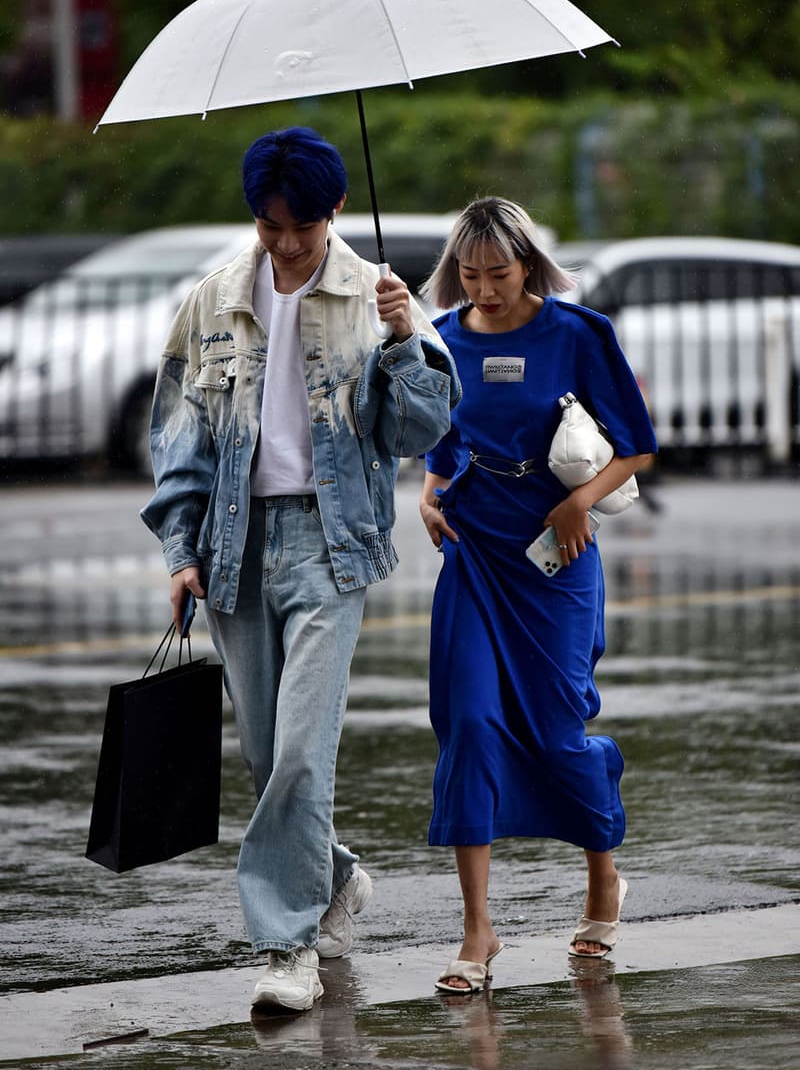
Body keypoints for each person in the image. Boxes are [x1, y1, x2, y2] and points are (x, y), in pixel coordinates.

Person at [141, 126, 460, 1013]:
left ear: (336, 212)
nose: (285, 244)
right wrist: (180, 550)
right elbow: (179, 435)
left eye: (302, 228)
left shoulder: (375, 297)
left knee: (302, 751)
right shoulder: (215, 300)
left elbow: (418, 432)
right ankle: (339, 878)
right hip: (234, 543)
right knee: (265, 755)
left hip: (331, 544)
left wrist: (405, 340)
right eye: (269, 226)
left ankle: (288, 949)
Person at [418, 197, 656, 994]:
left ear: (529, 265)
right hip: (475, 546)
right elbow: (440, 443)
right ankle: (478, 933)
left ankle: (602, 878)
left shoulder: (578, 334)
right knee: (470, 724)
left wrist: (580, 502)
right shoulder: (442, 340)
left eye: (498, 272)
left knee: (558, 731)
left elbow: (637, 449)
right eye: (470, 274)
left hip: (558, 548)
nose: (483, 288)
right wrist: (428, 493)